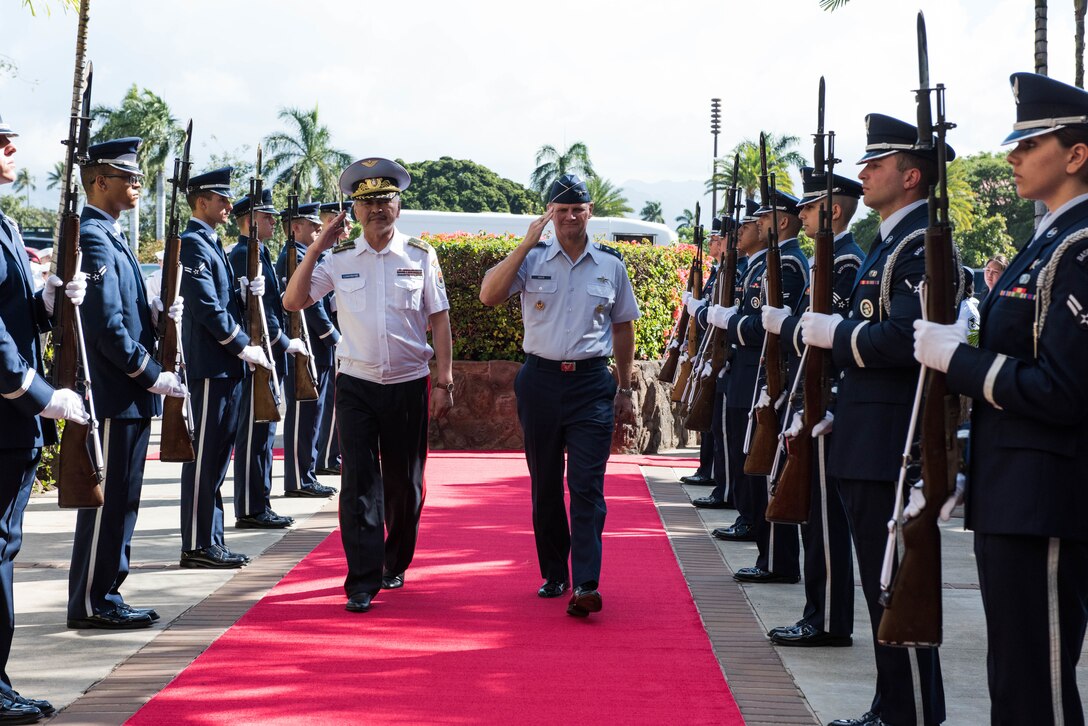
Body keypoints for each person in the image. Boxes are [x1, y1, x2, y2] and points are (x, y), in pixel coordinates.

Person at [914, 71, 1088, 726]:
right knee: (1014, 678)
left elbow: (1063, 391)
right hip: (1012, 487)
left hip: (1045, 494)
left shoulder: (1078, 248)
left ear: (1075, 155)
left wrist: (958, 359)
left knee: (1036, 681)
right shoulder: (1046, 239)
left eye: (1030, 142)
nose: (1012, 155)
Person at [801, 113, 947, 726]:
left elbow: (907, 337)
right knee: (877, 579)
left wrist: (840, 335)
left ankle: (909, 709)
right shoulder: (893, 242)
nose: (862, 174)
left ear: (911, 176)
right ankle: (893, 704)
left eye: (877, 164)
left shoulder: (918, 245)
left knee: (894, 581)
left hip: (892, 436)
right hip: (866, 427)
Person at [283, 158, 453, 614]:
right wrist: (318, 244)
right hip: (356, 383)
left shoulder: (420, 255)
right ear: (354, 212)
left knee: (406, 485)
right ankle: (361, 579)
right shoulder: (339, 260)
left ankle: (394, 561)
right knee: (358, 481)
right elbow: (293, 300)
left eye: (385, 200)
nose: (377, 209)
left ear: (398, 206)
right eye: (368, 202)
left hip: (408, 383)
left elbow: (438, 317)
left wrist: (445, 379)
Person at [478, 173, 640, 618]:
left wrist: (624, 388)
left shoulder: (611, 264)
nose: (570, 218)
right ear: (550, 214)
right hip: (541, 381)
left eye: (577, 210)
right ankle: (555, 572)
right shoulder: (532, 259)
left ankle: (586, 581)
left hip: (591, 383)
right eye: (561, 210)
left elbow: (624, 327)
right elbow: (489, 295)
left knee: (586, 486)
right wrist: (525, 244)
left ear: (590, 213)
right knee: (546, 483)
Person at [66, 137, 186, 631]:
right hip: (115, 393)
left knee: (124, 498)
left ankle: (107, 591)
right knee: (108, 500)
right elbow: (106, 327)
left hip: (128, 394)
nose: (137, 184)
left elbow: (128, 316)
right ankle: (94, 600)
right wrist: (152, 373)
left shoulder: (113, 235)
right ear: (98, 181)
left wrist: (158, 315)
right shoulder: (93, 236)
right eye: (127, 177)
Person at [0, 111, 88, 723]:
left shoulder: (4, 224)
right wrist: (35, 392)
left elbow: (10, 315)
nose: (9, 148)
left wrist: (46, 300)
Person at [761, 167, 862, 648]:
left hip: (826, 399)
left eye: (809, 206)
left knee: (825, 520)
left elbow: (825, 334)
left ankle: (827, 620)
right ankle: (818, 613)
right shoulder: (832, 259)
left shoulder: (846, 262)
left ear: (834, 210)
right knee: (814, 515)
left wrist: (787, 328)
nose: (800, 214)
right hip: (810, 395)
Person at [712, 189, 807, 584]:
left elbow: (764, 325)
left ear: (781, 222)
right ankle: (767, 552)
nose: (754, 225)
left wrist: (727, 322)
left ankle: (776, 558)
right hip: (748, 372)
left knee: (768, 469)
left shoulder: (789, 264)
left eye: (763, 219)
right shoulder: (768, 262)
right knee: (752, 461)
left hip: (765, 375)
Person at [178, 167, 271, 568]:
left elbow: (222, 299)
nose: (230, 206)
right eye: (222, 200)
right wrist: (241, 346)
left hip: (225, 367)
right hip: (211, 366)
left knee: (217, 457)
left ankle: (211, 538)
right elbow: (205, 306)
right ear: (202, 202)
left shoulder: (210, 243)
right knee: (205, 457)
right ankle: (198, 544)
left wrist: (245, 290)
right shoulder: (193, 244)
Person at [227, 189, 301, 529]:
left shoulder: (262, 252)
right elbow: (260, 313)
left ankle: (260, 502)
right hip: (259, 354)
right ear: (250, 220)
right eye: (267, 216)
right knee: (254, 436)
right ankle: (250, 506)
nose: (273, 221)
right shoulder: (244, 254)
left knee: (265, 434)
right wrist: (282, 342)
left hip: (267, 353)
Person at [275, 201, 338, 498]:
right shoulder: (293, 258)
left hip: (318, 347)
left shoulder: (309, 257)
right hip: (308, 346)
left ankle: (307, 474)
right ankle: (300, 478)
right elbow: (309, 307)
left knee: (315, 413)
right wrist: (331, 336)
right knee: (303, 413)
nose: (318, 231)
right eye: (313, 226)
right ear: (296, 227)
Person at [707, 199, 758, 541]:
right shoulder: (750, 267)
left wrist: (727, 320)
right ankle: (737, 504)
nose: (734, 235)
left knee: (744, 451)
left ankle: (744, 512)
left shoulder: (777, 265)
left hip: (752, 372)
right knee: (727, 437)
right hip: (738, 366)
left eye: (745, 226)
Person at [313, 201, 350, 476]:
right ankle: (326, 458)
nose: (347, 229)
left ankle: (329, 456)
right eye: (341, 224)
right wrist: (333, 337)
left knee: (330, 407)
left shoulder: (343, 254)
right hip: (323, 342)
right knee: (325, 409)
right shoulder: (324, 255)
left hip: (336, 339)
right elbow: (313, 303)